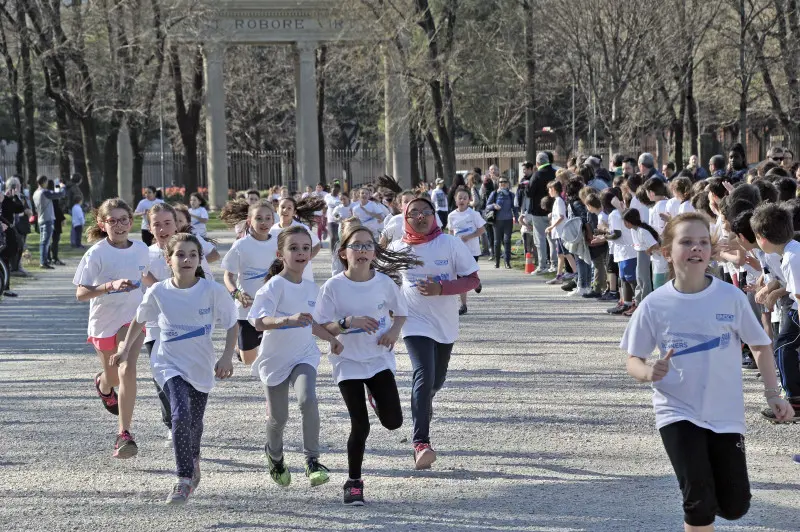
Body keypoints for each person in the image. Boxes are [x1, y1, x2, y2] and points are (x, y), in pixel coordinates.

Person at [621, 212, 792, 532]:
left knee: (735, 504)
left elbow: (760, 346)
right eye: (686, 242)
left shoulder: (729, 297)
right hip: (676, 410)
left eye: (703, 242)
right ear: (667, 250)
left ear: (711, 250)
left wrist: (773, 395)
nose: (696, 248)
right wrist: (648, 372)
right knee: (698, 501)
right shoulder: (655, 304)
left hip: (724, 412)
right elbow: (634, 359)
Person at [115, 233, 237, 504]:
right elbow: (139, 320)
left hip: (201, 365)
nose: (186, 259)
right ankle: (183, 479)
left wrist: (227, 356)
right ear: (168, 260)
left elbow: (232, 323)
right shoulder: (159, 291)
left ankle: (193, 458)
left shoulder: (212, 291)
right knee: (180, 416)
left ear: (200, 260)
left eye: (193, 254)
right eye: (180, 254)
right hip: (167, 362)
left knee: (194, 422)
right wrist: (124, 349)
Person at [314, 224, 417, 505]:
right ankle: (354, 482)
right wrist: (347, 324)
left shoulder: (384, 283)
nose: (362, 251)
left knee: (394, 422)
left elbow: (401, 313)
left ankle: (374, 394)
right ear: (342, 253)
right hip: (347, 362)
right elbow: (320, 327)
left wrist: (394, 331)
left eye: (367, 245)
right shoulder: (333, 287)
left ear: (375, 252)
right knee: (360, 425)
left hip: (378, 359)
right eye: (355, 245)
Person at [387, 197, 480, 469]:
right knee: (423, 374)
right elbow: (384, 286)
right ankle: (421, 443)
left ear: (434, 216)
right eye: (413, 212)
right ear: (405, 217)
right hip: (414, 322)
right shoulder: (397, 248)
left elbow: (473, 279)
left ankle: (423, 400)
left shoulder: (450, 244)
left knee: (435, 381)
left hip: (445, 323)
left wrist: (442, 289)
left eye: (425, 212)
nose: (420, 217)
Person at [248, 226, 343, 488]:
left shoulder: (313, 289)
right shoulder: (273, 287)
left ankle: (312, 460)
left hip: (304, 355)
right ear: (280, 254)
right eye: (293, 248)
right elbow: (258, 322)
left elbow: (313, 324)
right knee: (279, 418)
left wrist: (332, 338)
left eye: (305, 248)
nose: (300, 253)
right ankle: (275, 456)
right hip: (275, 359)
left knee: (307, 399)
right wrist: (286, 320)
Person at [73, 198, 150, 458]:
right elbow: (81, 294)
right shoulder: (96, 253)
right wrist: (109, 286)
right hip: (104, 321)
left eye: (124, 220)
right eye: (112, 220)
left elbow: (147, 277)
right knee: (114, 377)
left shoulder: (141, 249)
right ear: (102, 223)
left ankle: (124, 434)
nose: (119, 225)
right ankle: (103, 384)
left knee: (127, 367)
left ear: (131, 221)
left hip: (133, 320)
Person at [750, 204, 800, 421]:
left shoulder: (791, 257)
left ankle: (795, 401)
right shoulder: (792, 250)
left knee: (784, 347)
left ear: (762, 237)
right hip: (795, 311)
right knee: (784, 345)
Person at [221, 199, 278, 366]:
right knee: (248, 360)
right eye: (258, 218)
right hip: (246, 308)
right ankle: (239, 349)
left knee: (270, 353)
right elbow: (228, 276)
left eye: (268, 218)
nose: (264, 222)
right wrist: (236, 294)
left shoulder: (279, 244)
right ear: (249, 221)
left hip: (271, 306)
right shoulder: (241, 245)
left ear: (273, 221)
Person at [447, 186, 486, 315]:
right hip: (458, 252)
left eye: (465, 198)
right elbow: (451, 232)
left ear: (469, 200)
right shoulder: (451, 216)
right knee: (461, 277)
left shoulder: (474, 214)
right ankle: (463, 305)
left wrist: (469, 237)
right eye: (460, 198)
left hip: (472, 250)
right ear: (455, 199)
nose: (462, 200)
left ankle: (476, 282)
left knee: (470, 275)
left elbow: (482, 230)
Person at [270, 196, 323, 282]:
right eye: (282, 207)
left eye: (289, 208)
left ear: (294, 212)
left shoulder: (301, 228)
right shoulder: (271, 230)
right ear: (277, 209)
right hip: (281, 275)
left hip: (303, 275)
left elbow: (317, 245)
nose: (285, 210)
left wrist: (306, 258)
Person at [527, 153, 555, 273]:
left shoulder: (536, 175)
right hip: (553, 210)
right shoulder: (554, 173)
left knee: (540, 239)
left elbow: (529, 193)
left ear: (538, 163)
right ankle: (554, 264)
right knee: (552, 238)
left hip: (538, 211)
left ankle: (542, 265)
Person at [32, 175, 65, 269]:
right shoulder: (44, 192)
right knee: (45, 242)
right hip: (47, 219)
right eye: (46, 182)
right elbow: (60, 195)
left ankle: (44, 261)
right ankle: (43, 262)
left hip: (40, 219)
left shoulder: (35, 193)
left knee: (43, 241)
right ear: (44, 182)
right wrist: (62, 187)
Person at [485, 176, 518, 269]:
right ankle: (497, 262)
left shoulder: (511, 195)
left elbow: (515, 208)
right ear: (498, 184)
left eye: (504, 181)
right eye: (500, 182)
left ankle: (507, 262)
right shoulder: (494, 194)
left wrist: (517, 218)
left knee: (507, 240)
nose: (502, 183)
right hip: (497, 221)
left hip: (508, 220)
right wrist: (493, 205)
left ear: (508, 183)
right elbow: (487, 206)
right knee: (497, 242)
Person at [47, 179, 66, 266]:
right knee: (54, 240)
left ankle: (48, 257)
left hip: (48, 218)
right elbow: (57, 209)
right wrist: (62, 218)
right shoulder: (52, 195)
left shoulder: (45, 194)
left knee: (48, 240)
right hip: (55, 220)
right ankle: (54, 257)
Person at [324, 183, 343, 249]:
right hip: (330, 219)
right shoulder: (327, 196)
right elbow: (329, 202)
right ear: (331, 189)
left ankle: (337, 252)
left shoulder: (340, 197)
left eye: (337, 191)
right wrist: (338, 202)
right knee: (332, 237)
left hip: (338, 219)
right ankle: (332, 253)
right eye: (334, 190)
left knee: (338, 237)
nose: (335, 192)